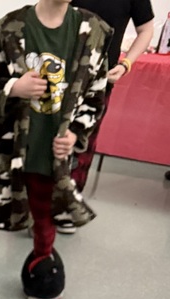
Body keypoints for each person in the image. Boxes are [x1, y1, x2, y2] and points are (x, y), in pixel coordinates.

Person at [0, 0, 111, 299]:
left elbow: (96, 95)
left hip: (54, 155)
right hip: (10, 150)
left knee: (45, 210)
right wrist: (14, 87)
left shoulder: (94, 33)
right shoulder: (10, 27)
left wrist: (76, 134)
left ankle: (42, 263)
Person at [57, 1, 155, 231]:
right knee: (45, 139)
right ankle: (36, 203)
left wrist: (126, 63)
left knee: (82, 143)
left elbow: (146, 29)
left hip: (98, 80)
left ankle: (68, 207)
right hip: (58, 74)